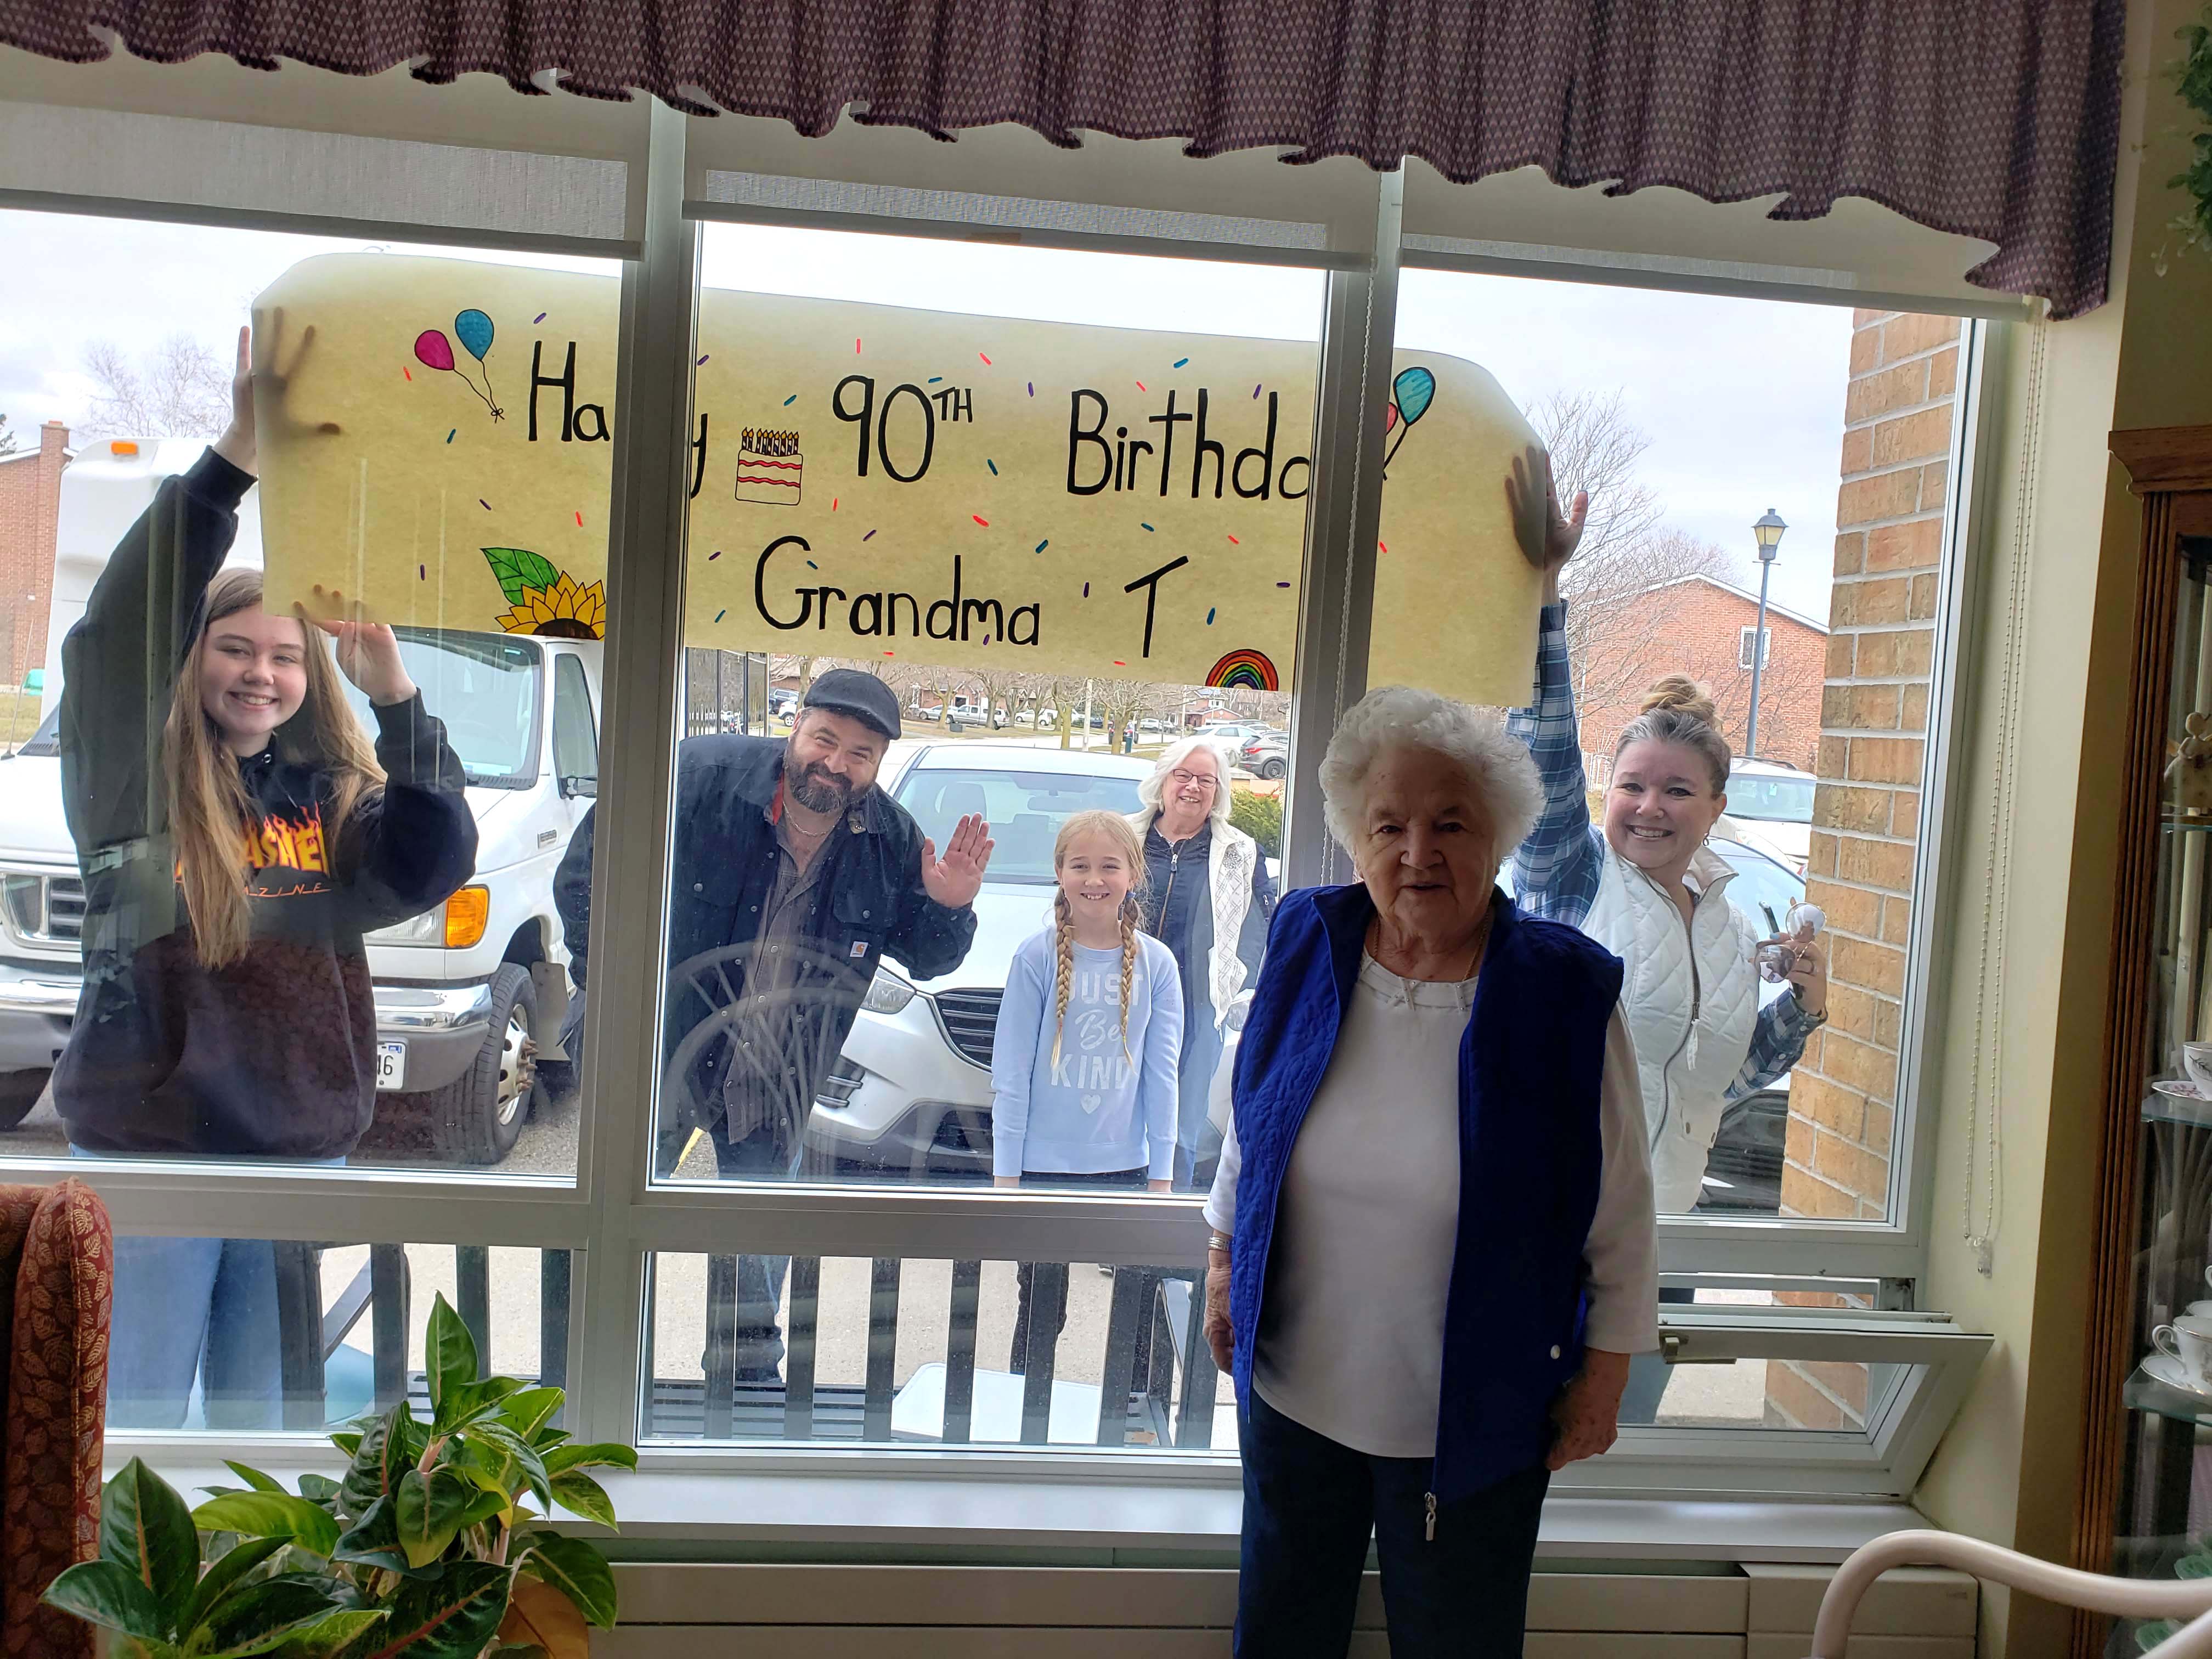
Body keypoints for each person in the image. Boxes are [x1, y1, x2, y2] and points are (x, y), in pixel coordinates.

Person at [59, 324, 477, 1428]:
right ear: (192, 655)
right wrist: (234, 459)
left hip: (298, 1149)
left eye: (286, 653)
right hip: (156, 1156)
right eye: (236, 647)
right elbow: (113, 641)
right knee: (130, 1426)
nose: (263, 671)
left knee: (270, 1435)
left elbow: (435, 860)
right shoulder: (128, 784)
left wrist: (395, 695)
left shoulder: (330, 794)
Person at [1201, 686, 1656, 1659]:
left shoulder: (1562, 991)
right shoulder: (1305, 937)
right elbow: (1253, 1119)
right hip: (1295, 1394)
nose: (1417, 852)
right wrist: (1218, 1257)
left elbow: (1617, 1204)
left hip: (1473, 1418)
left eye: (1450, 822)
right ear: (1353, 836)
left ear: (1497, 835)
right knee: (1280, 1635)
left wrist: (1605, 1370)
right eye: (1390, 825)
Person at [1503, 448, 1828, 1426]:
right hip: (1554, 1235)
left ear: (1716, 805)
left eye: (1675, 790)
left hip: (1668, 1240)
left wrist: (1800, 1011)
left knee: (1617, 1453)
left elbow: (1712, 1082)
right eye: (1631, 784)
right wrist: (1546, 588)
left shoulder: (1725, 920)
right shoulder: (1570, 875)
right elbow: (1543, 746)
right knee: (1526, 1460)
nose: (1647, 806)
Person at [554, 668, 992, 1379]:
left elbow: (931, 957)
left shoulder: (889, 839)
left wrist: (949, 904)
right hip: (652, 1050)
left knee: (754, 1231)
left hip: (771, 1072)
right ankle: (578, 1363)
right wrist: (604, 998)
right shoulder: (700, 776)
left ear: (879, 764)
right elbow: (584, 876)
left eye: (860, 754)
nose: (836, 763)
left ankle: (745, 1379)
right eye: (825, 740)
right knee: (609, 1215)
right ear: (797, 727)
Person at [990, 810, 1180, 1369]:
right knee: (1042, 1308)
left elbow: (1162, 1075)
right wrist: (1007, 1179)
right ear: (1059, 873)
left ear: (1133, 873)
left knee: (1138, 1310)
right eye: (1080, 866)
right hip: (1044, 1168)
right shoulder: (1036, 956)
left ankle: (1132, 1429)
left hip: (1127, 1169)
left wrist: (1162, 1179)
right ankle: (1028, 1418)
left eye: (1109, 866)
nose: (1094, 879)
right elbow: (1011, 1071)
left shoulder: (1159, 964)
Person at [1130, 736, 1274, 1187]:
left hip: (1198, 1004)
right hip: (1124, 997)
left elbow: (1259, 925)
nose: (1193, 787)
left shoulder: (1240, 851)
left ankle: (1158, 1237)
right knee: (1121, 1106)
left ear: (1219, 791)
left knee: (1182, 1121)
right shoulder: (1124, 836)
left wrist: (1233, 979)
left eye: (1206, 780)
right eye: (1184, 775)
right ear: (1163, 781)